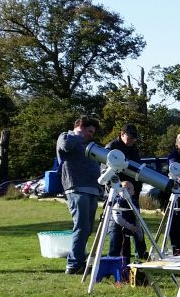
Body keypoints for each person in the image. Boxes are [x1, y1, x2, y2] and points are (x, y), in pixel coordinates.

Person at [56, 115, 102, 274]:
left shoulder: (88, 144)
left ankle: (79, 258)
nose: (91, 135)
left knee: (87, 228)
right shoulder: (66, 136)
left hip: (92, 189)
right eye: (89, 131)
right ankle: (74, 264)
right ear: (80, 127)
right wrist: (78, 135)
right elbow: (65, 146)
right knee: (81, 227)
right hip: (76, 188)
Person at [105, 124, 147, 263]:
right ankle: (114, 257)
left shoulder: (133, 148)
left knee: (137, 223)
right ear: (121, 134)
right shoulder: (111, 148)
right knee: (116, 227)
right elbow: (106, 172)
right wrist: (118, 186)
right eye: (129, 138)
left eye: (133, 138)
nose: (131, 141)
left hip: (132, 192)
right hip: (117, 193)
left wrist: (135, 189)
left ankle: (141, 253)